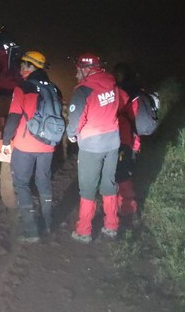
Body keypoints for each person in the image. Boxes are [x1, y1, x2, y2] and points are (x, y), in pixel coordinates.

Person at [67, 53, 127, 243]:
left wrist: (71, 134)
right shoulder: (113, 84)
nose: (76, 74)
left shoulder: (83, 91)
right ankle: (111, 226)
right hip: (112, 142)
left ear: (86, 70)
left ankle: (84, 230)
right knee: (108, 183)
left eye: (78, 69)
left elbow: (76, 120)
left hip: (92, 145)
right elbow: (123, 102)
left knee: (87, 188)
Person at [1, 51, 60, 243]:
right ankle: (49, 223)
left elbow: (14, 116)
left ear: (32, 67)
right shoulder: (53, 88)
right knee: (43, 181)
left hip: (25, 145)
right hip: (48, 145)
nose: (21, 68)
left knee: (22, 183)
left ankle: (31, 230)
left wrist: (6, 139)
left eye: (24, 64)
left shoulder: (23, 87)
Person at [113, 62, 142, 220]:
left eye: (117, 74)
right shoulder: (136, 91)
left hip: (121, 138)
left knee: (121, 175)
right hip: (130, 139)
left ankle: (127, 209)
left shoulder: (121, 92)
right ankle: (125, 207)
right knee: (124, 173)